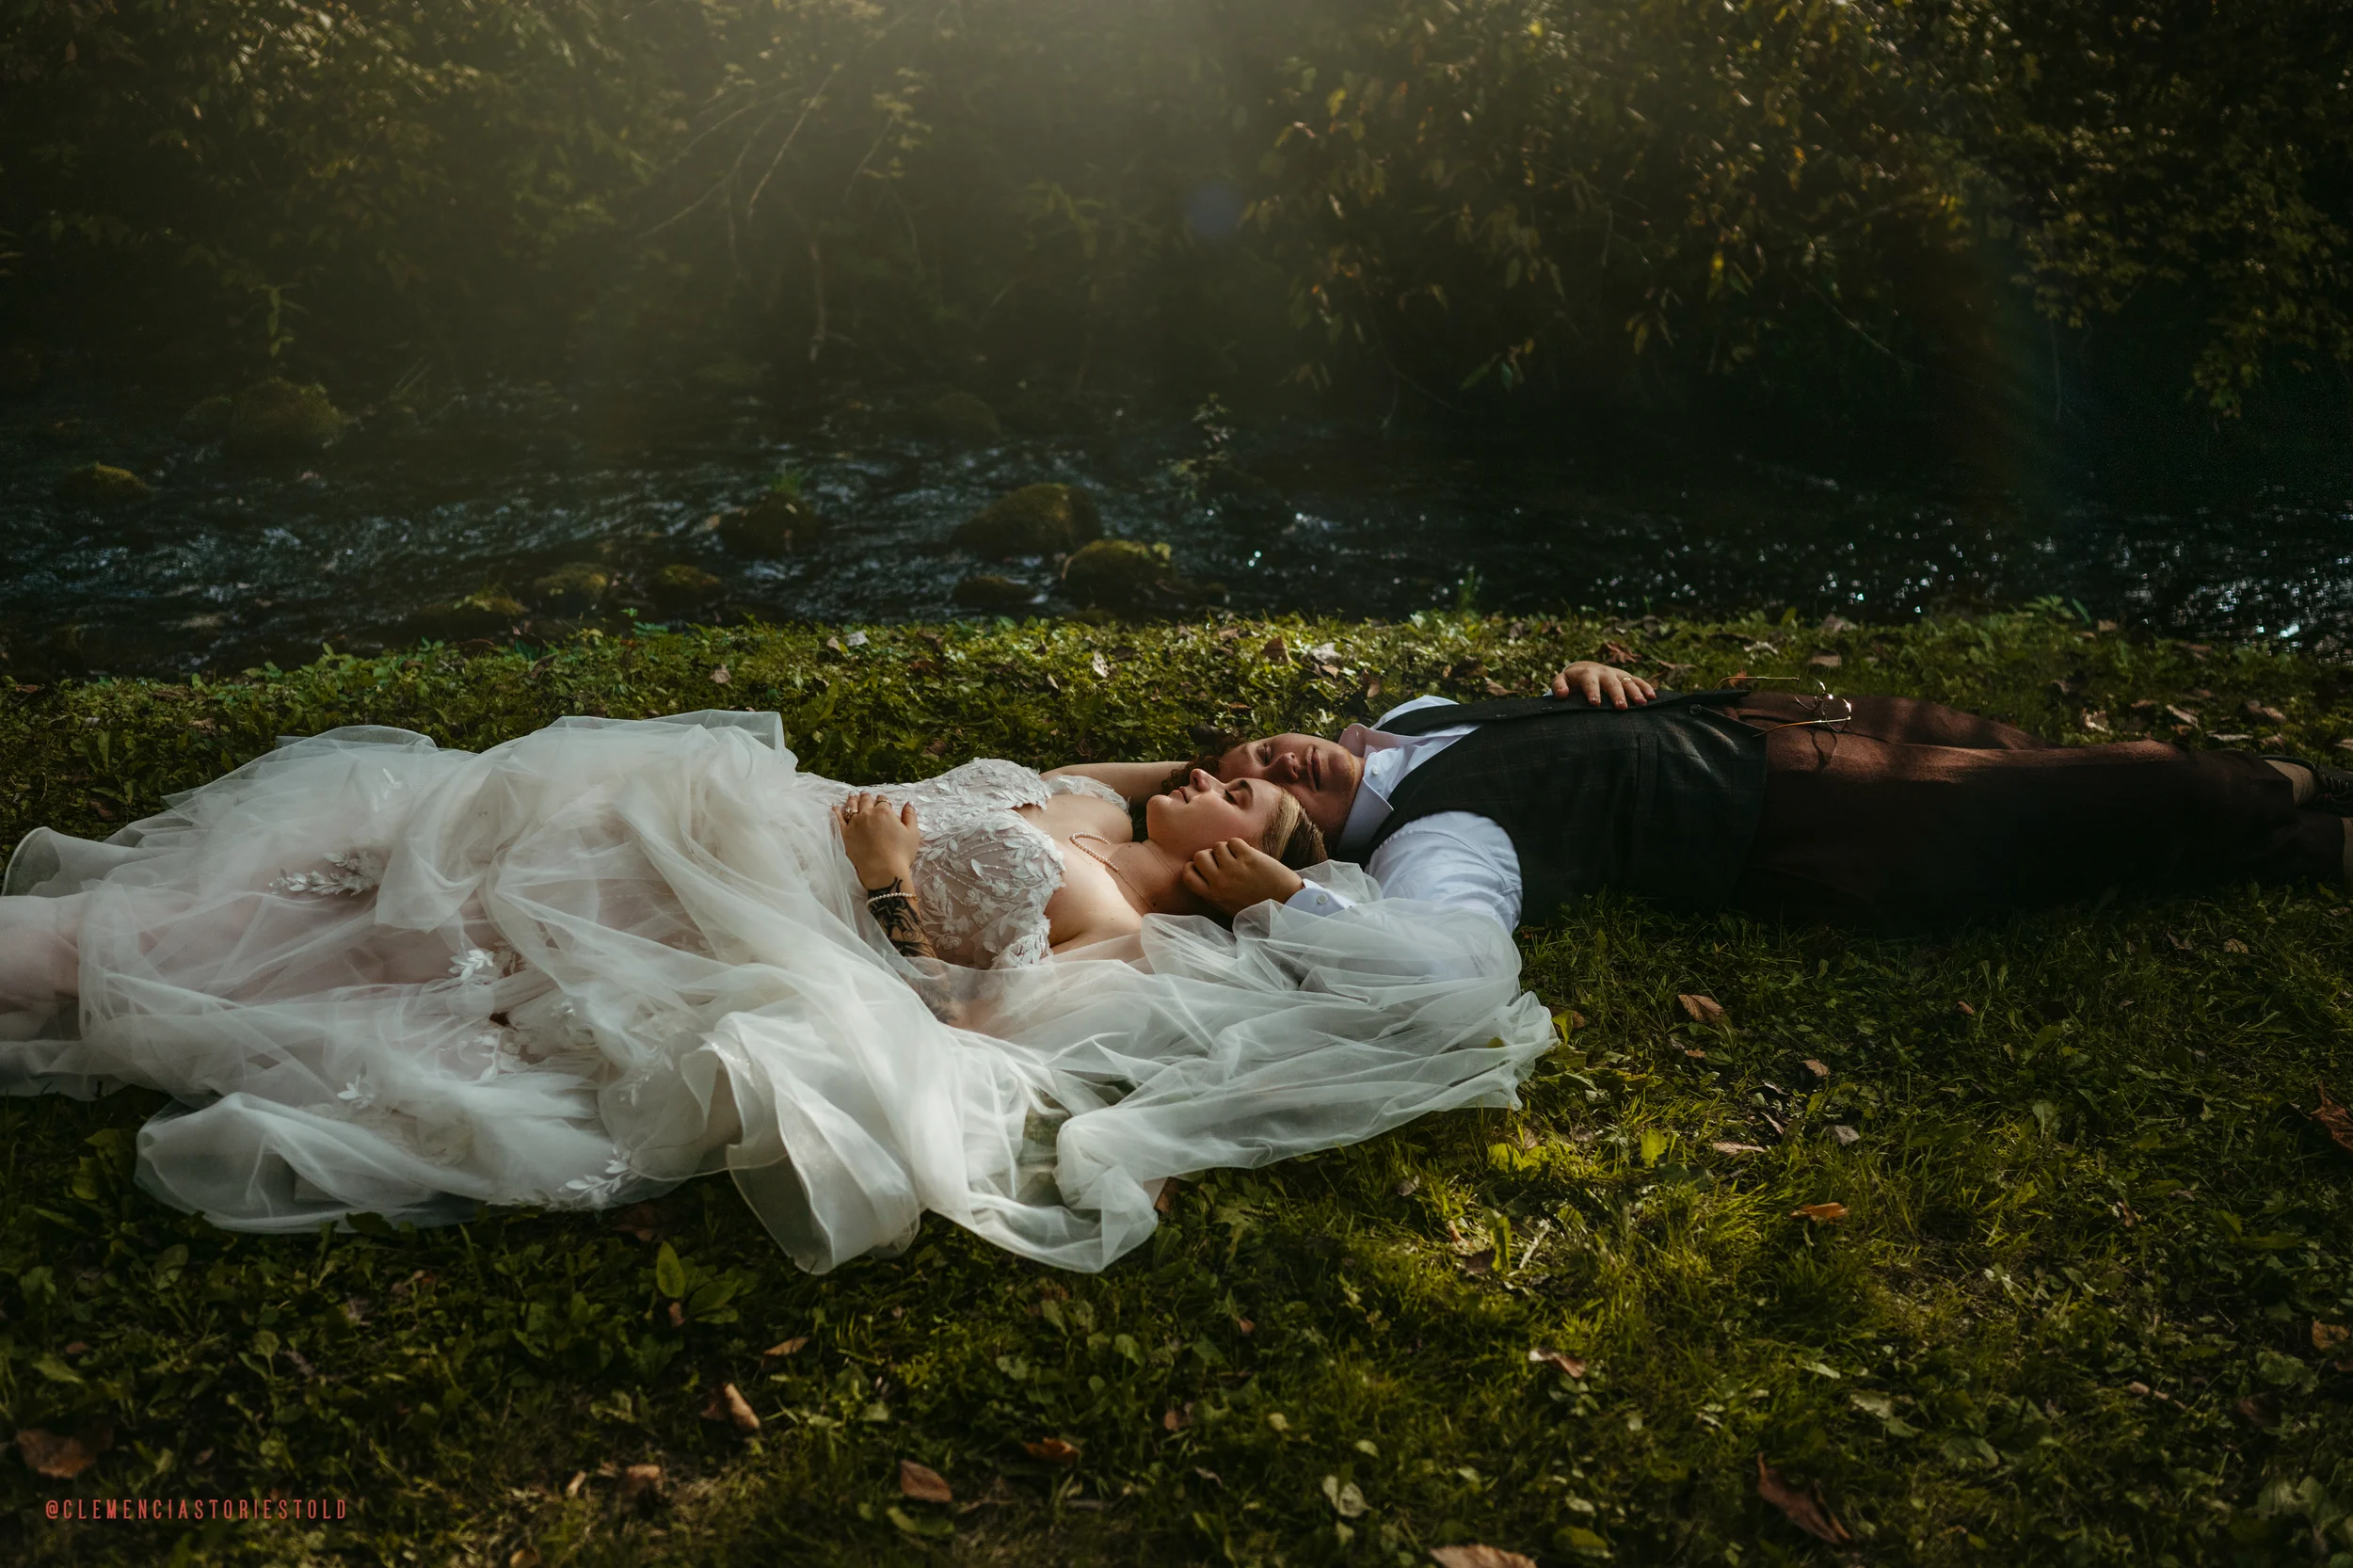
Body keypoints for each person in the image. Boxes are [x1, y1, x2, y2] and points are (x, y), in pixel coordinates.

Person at [0, 711, 1552, 1272]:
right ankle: (111, 950)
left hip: (758, 918)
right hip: (705, 837)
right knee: (356, 869)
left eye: (1248, 804)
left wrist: (884, 879)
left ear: (1234, 867)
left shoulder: (1124, 932)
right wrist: (1213, 810)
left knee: (349, 960)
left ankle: (85, 969)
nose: (1220, 774)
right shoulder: (1097, 807)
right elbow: (1145, 775)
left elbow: (967, 1035)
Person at [1078, 661, 2353, 935]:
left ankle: (2297, 830)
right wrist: (1292, 894)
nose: (1273, 762)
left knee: (2069, 773)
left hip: (1795, 724)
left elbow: (1553, 716)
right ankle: (2303, 806)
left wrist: (1588, 680)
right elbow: (1444, 961)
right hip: (1829, 824)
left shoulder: (1410, 724)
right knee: (2118, 797)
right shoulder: (1441, 837)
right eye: (1255, 790)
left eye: (1257, 748)